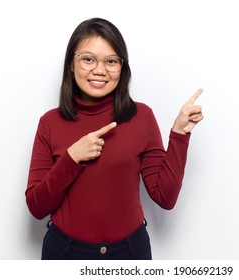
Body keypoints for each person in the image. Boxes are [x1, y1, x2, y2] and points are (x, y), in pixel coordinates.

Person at [26, 17, 203, 260]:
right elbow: (36, 207)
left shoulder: (141, 116)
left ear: (122, 67)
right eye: (88, 59)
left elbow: (165, 197)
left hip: (130, 252)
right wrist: (72, 158)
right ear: (71, 63)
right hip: (64, 252)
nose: (100, 70)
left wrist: (180, 135)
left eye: (111, 61)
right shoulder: (50, 122)